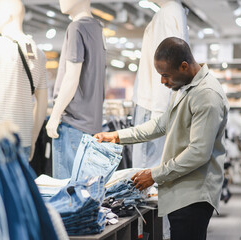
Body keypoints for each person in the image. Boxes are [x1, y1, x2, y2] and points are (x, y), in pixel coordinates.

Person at [94, 37, 229, 240]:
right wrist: (118, 135)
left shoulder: (207, 96)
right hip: (181, 190)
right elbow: (161, 124)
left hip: (194, 196)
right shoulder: (184, 87)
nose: (163, 81)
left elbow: (198, 154)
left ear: (184, 66)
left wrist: (154, 174)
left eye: (166, 75)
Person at [131, 1, 188, 237]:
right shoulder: (172, 12)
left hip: (151, 107)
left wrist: (157, 119)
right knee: (155, 185)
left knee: (145, 187)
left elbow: (169, 67)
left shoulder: (166, 14)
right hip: (155, 107)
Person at [0, 0, 48, 162]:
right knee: (18, 187)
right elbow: (42, 103)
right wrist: (32, 138)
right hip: (24, 140)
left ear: (8, 15)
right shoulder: (39, 54)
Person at [45, 0, 106, 179]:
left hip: (72, 124)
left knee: (68, 196)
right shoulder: (98, 28)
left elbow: (71, 77)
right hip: (92, 126)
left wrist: (54, 116)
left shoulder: (76, 27)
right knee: (86, 193)